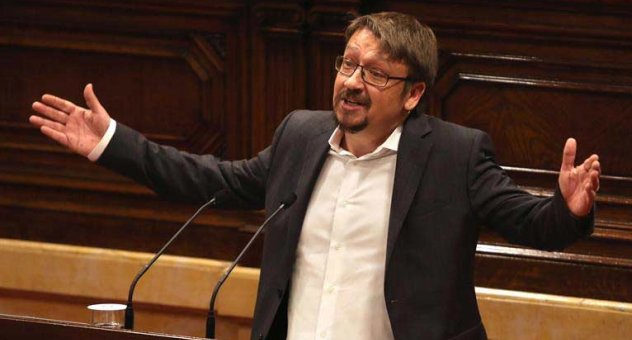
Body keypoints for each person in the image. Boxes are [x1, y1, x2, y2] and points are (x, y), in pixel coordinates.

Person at [29, 12, 600, 340]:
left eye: (375, 74)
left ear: (414, 93)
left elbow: (531, 223)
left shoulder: (453, 155)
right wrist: (111, 142)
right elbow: (211, 181)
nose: (352, 82)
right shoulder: (300, 137)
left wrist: (568, 207)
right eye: (348, 64)